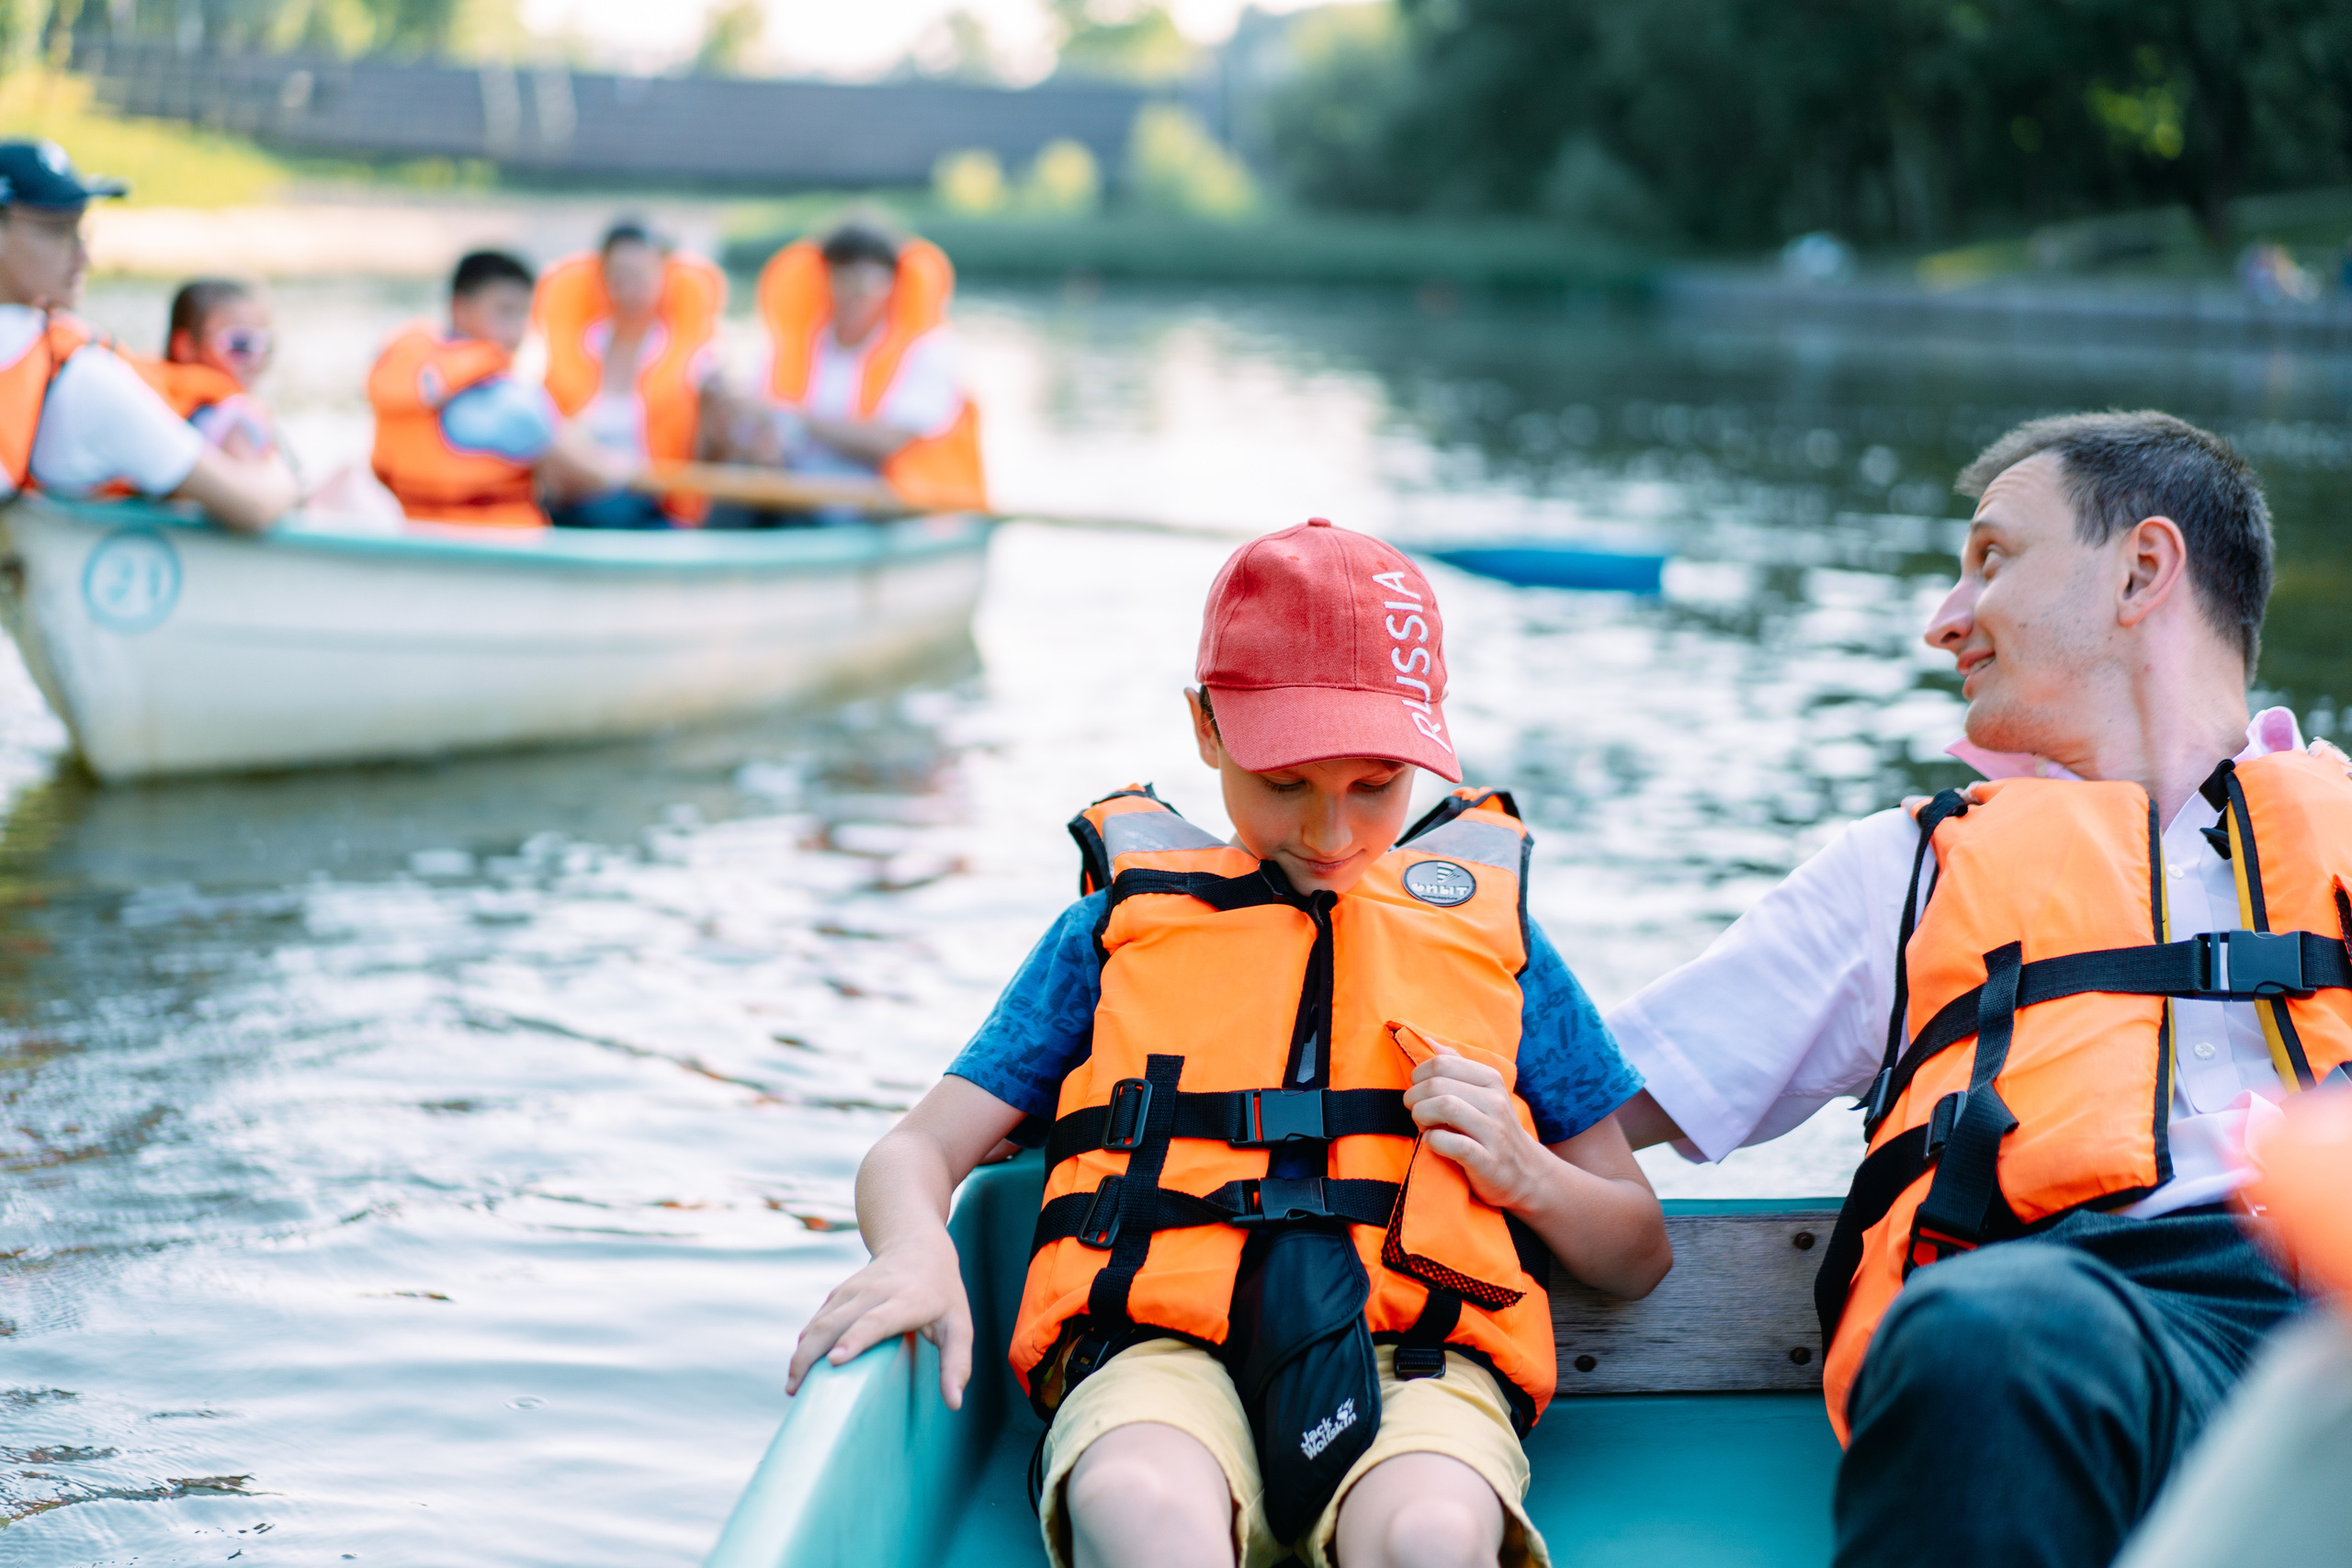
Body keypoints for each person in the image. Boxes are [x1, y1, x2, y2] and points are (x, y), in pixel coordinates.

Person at [788, 518, 1669, 1568]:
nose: (1331, 834)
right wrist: (914, 1248)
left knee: (1430, 1536)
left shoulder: (1498, 943)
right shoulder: (1111, 934)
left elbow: (1636, 1250)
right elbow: (914, 1150)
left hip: (1418, 1364)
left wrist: (1526, 1172)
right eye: (1285, 783)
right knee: (1138, 1505)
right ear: (1205, 727)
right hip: (1153, 1349)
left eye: (1375, 786)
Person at [1604, 411, 2349, 1568]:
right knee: (1989, 1334)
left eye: (1990, 559)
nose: (1944, 619)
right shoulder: (1903, 873)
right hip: (2084, 1325)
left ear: (2141, 571)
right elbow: (1581, 1101)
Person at [0, 140, 293, 531]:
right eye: (57, 231)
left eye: (81, 232)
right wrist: (284, 473)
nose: (84, 257)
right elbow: (253, 507)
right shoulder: (85, 380)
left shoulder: (63, 359)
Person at [736, 220, 987, 519]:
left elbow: (889, 441)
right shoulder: (793, 344)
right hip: (800, 492)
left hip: (896, 508)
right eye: (840, 279)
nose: (853, 295)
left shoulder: (928, 350)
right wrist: (758, 440)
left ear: (893, 284)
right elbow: (756, 423)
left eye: (866, 282)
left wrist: (794, 418)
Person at [367, 249, 625, 528]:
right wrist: (631, 473)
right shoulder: (512, 401)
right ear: (460, 309)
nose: (517, 330)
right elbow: (590, 477)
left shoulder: (404, 372)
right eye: (505, 311)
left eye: (524, 314)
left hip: (417, 531)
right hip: (501, 542)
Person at [533, 220, 726, 528]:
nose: (629, 289)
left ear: (663, 275)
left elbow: (719, 432)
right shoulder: (583, 345)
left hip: (654, 502)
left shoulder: (696, 356)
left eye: (640, 276)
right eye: (619, 276)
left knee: (605, 512)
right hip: (576, 493)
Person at [126, 276, 280, 460]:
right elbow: (256, 479)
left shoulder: (148, 405)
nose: (258, 358)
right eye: (240, 344)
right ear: (186, 347)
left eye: (267, 345)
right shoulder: (233, 422)